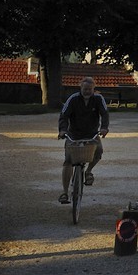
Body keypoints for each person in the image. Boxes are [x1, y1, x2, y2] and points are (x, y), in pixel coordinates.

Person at [57, 76, 109, 204]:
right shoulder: (73, 99)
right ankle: (64, 193)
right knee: (68, 161)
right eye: (85, 89)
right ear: (80, 88)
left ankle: (88, 171)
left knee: (98, 152)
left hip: (91, 134)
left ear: (93, 89)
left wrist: (104, 128)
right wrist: (62, 130)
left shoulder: (98, 99)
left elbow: (104, 114)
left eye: (89, 89)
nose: (87, 91)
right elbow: (64, 115)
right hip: (74, 134)